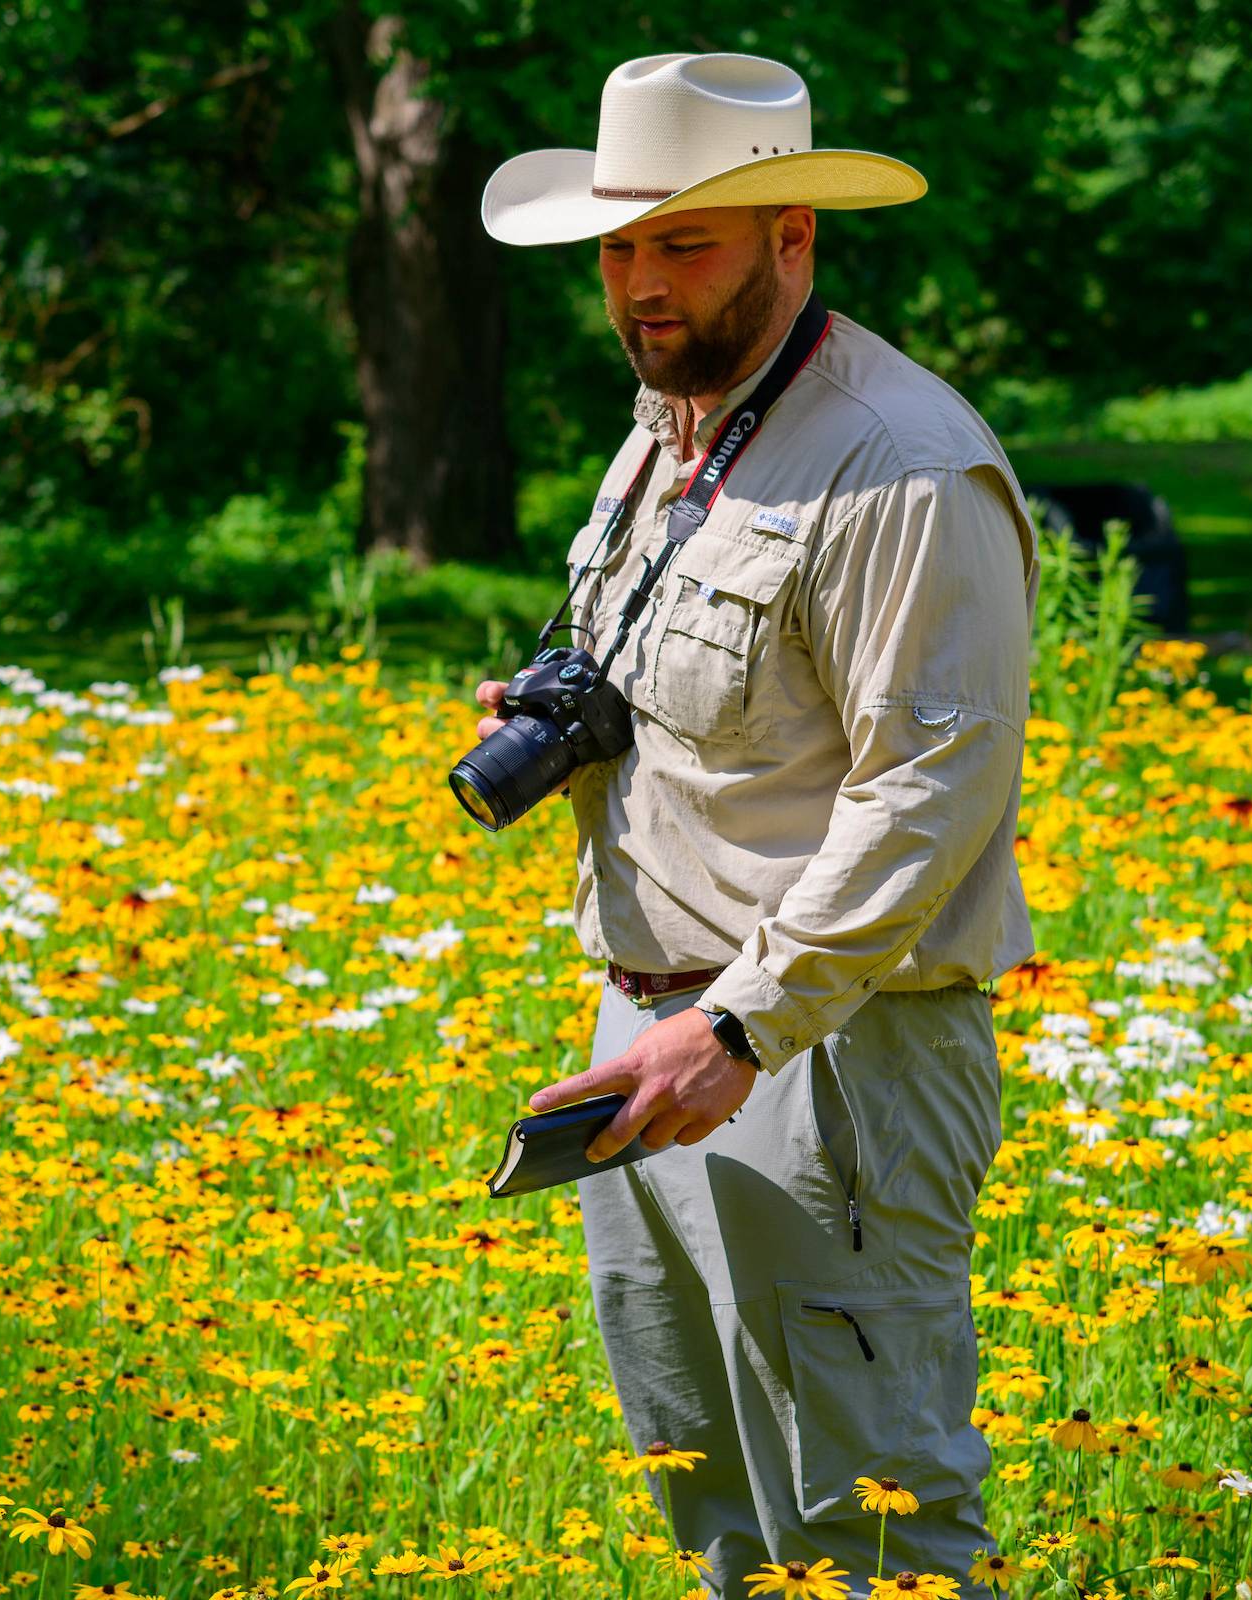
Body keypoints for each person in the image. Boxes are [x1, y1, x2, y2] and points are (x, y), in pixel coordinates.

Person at [470, 51, 1040, 1600]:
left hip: (813, 1056)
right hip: (653, 1043)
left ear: (795, 235)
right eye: (619, 245)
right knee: (715, 1512)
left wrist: (733, 1030)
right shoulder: (677, 426)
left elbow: (929, 792)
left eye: (686, 243)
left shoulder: (898, 463)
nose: (642, 284)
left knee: (870, 1531)